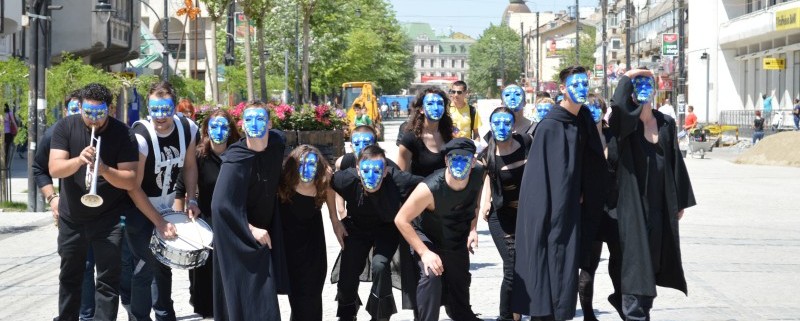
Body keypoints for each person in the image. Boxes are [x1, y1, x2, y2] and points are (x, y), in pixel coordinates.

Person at [511, 66, 607, 320]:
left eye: (585, 84)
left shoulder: (584, 118)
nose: (581, 89)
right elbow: (540, 179)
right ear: (562, 89)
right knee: (551, 266)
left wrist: (585, 189)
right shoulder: (550, 126)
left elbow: (593, 161)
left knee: (566, 272)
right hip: (551, 212)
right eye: (575, 85)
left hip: (574, 211)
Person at [607, 68, 696, 321]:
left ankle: (633, 304)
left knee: (654, 261)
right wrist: (629, 75)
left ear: (655, 88)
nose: (643, 87)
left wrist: (678, 200)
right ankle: (635, 312)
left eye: (648, 82)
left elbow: (674, 160)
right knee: (637, 262)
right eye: (638, 84)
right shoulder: (624, 123)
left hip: (659, 205)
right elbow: (619, 105)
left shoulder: (665, 122)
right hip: (631, 205)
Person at [49, 83, 141, 320]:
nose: (93, 120)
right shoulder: (65, 127)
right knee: (70, 277)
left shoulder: (124, 133)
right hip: (72, 218)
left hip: (109, 219)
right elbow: (55, 168)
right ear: (79, 107)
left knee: (107, 280)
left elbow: (130, 181)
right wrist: (79, 161)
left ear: (109, 109)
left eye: (99, 113)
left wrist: (104, 170)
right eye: (87, 113)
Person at [124, 80, 199, 321]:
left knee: (163, 263)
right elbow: (133, 188)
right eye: (154, 109)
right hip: (138, 204)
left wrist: (192, 199)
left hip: (166, 203)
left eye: (165, 109)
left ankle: (165, 314)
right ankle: (138, 317)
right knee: (144, 266)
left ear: (175, 107)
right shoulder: (141, 136)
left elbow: (189, 166)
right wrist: (157, 221)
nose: (159, 116)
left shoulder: (188, 128)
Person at [211, 101, 289, 320]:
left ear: (270, 123)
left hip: (265, 233)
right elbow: (220, 205)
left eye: (260, 119)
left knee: (262, 299)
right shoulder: (235, 159)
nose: (254, 124)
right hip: (238, 236)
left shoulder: (277, 142)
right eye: (249, 120)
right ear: (242, 125)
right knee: (248, 299)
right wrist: (251, 229)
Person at [395, 138, 484, 321]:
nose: (459, 164)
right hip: (427, 236)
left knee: (459, 284)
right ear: (446, 161)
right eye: (454, 159)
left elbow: (474, 202)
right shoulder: (429, 188)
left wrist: (472, 229)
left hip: (455, 234)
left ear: (473, 162)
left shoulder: (479, 173)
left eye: (465, 159)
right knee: (432, 274)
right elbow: (401, 219)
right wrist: (424, 252)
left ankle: (460, 313)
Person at [332, 144, 422, 321]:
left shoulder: (398, 179)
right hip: (357, 228)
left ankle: (380, 315)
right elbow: (325, 182)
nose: (371, 176)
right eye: (366, 170)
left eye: (377, 170)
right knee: (348, 270)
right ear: (358, 170)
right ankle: (347, 314)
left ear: (386, 171)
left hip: (386, 229)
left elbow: (427, 184)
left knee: (380, 265)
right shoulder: (346, 179)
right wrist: (336, 219)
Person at [36, 91, 98, 321]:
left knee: (107, 270)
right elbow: (39, 169)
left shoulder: (102, 131)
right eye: (71, 110)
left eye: (79, 111)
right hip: (71, 212)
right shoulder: (55, 134)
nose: (76, 116)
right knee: (78, 268)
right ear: (65, 112)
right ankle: (82, 315)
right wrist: (52, 198)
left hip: (102, 214)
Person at [174, 108, 240, 318]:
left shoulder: (239, 154)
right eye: (214, 126)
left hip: (232, 221)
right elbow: (180, 188)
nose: (218, 130)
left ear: (230, 130)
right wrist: (179, 225)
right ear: (206, 129)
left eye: (223, 126)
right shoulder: (198, 156)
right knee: (203, 277)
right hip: (205, 222)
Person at [478, 107, 531, 321]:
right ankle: (506, 316)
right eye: (497, 123)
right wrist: (483, 204)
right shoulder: (486, 155)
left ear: (513, 124)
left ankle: (517, 312)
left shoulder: (527, 142)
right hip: (501, 217)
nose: (502, 127)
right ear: (491, 126)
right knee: (511, 267)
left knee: (524, 266)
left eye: (506, 122)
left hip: (527, 216)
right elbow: (487, 180)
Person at [279, 145, 337, 321]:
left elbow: (332, 197)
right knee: (299, 301)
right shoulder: (283, 185)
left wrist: (336, 221)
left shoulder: (322, 185)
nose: (307, 168)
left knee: (312, 300)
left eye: (312, 164)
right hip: (290, 255)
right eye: (301, 163)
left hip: (314, 253)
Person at [579, 94, 623, 321]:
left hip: (615, 207)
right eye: (589, 107)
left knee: (619, 258)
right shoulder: (580, 137)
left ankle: (619, 298)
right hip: (590, 210)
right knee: (589, 264)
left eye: (597, 106)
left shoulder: (613, 136)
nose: (593, 110)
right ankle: (587, 313)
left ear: (604, 110)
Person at [397, 88, 454, 178]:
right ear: (421, 109)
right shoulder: (410, 138)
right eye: (430, 104)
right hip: (419, 189)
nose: (436, 108)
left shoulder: (450, 135)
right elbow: (401, 176)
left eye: (440, 104)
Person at [3, 103, 18, 167]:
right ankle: (5, 163)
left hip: (4, 133)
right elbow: (13, 122)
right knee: (7, 149)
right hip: (8, 133)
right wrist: (17, 129)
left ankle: (4, 163)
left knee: (5, 149)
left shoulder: (5, 113)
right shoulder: (9, 113)